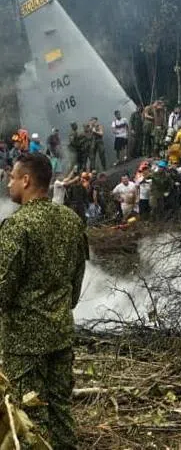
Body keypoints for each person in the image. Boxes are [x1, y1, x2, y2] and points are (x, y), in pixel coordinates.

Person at [0, 153, 88, 448]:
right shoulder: (71, 221)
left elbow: (2, 288)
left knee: (26, 417)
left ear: (26, 180)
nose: (8, 182)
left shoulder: (18, 226)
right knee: (61, 409)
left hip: (24, 344)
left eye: (12, 177)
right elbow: (75, 285)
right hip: (61, 334)